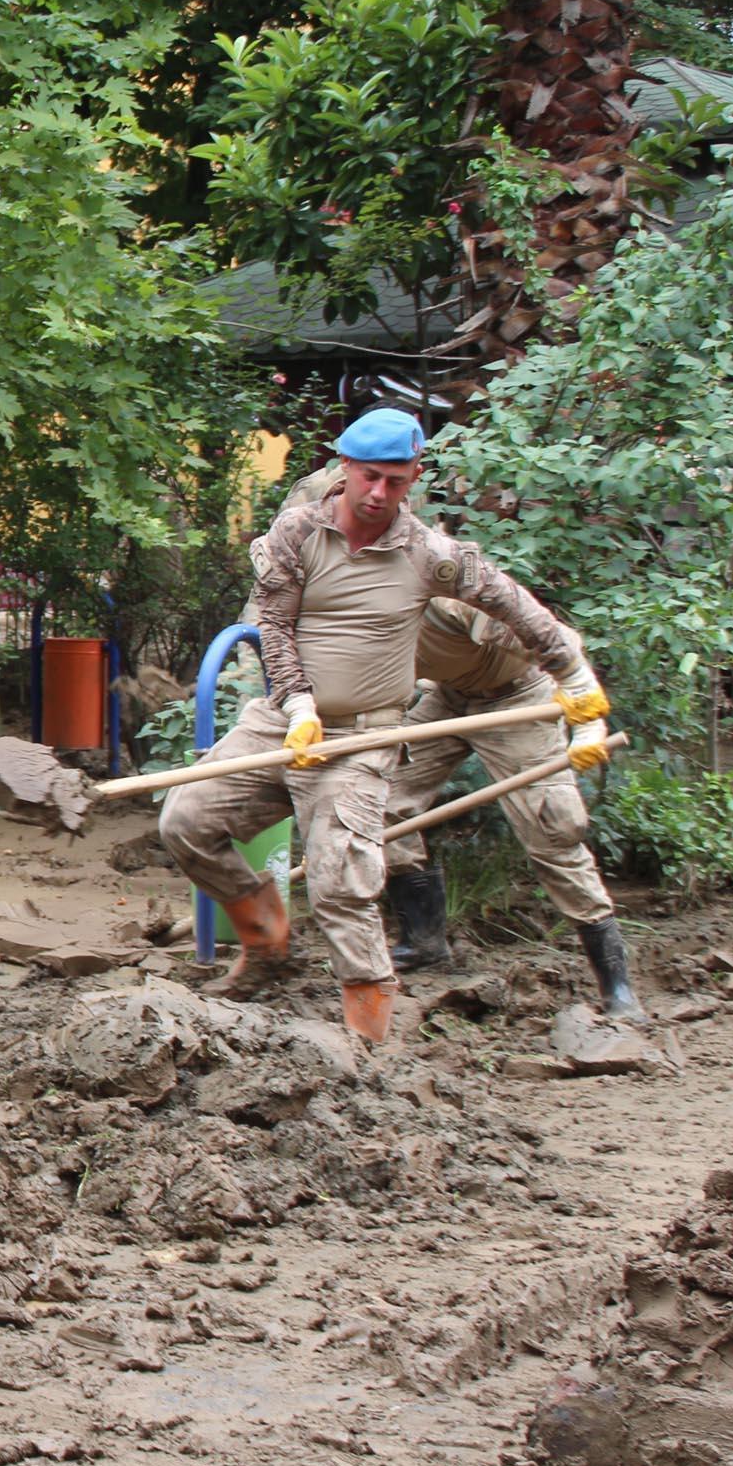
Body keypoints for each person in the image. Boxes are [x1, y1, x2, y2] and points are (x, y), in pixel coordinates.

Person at [158, 407, 612, 1045]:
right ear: (345, 469)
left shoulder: (430, 555)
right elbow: (276, 626)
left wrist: (577, 682)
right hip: (282, 722)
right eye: (368, 477)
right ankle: (266, 943)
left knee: (341, 874)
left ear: (413, 479)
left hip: (364, 738)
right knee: (186, 821)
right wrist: (298, 706)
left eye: (394, 482)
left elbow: (516, 607)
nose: (378, 494)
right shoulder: (298, 533)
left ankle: (366, 1050)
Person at [384, 599, 641, 1018]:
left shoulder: (452, 596)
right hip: (447, 698)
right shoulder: (344, 601)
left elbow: (560, 642)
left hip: (519, 696)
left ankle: (618, 988)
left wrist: (589, 719)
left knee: (552, 827)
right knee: (380, 797)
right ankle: (424, 943)